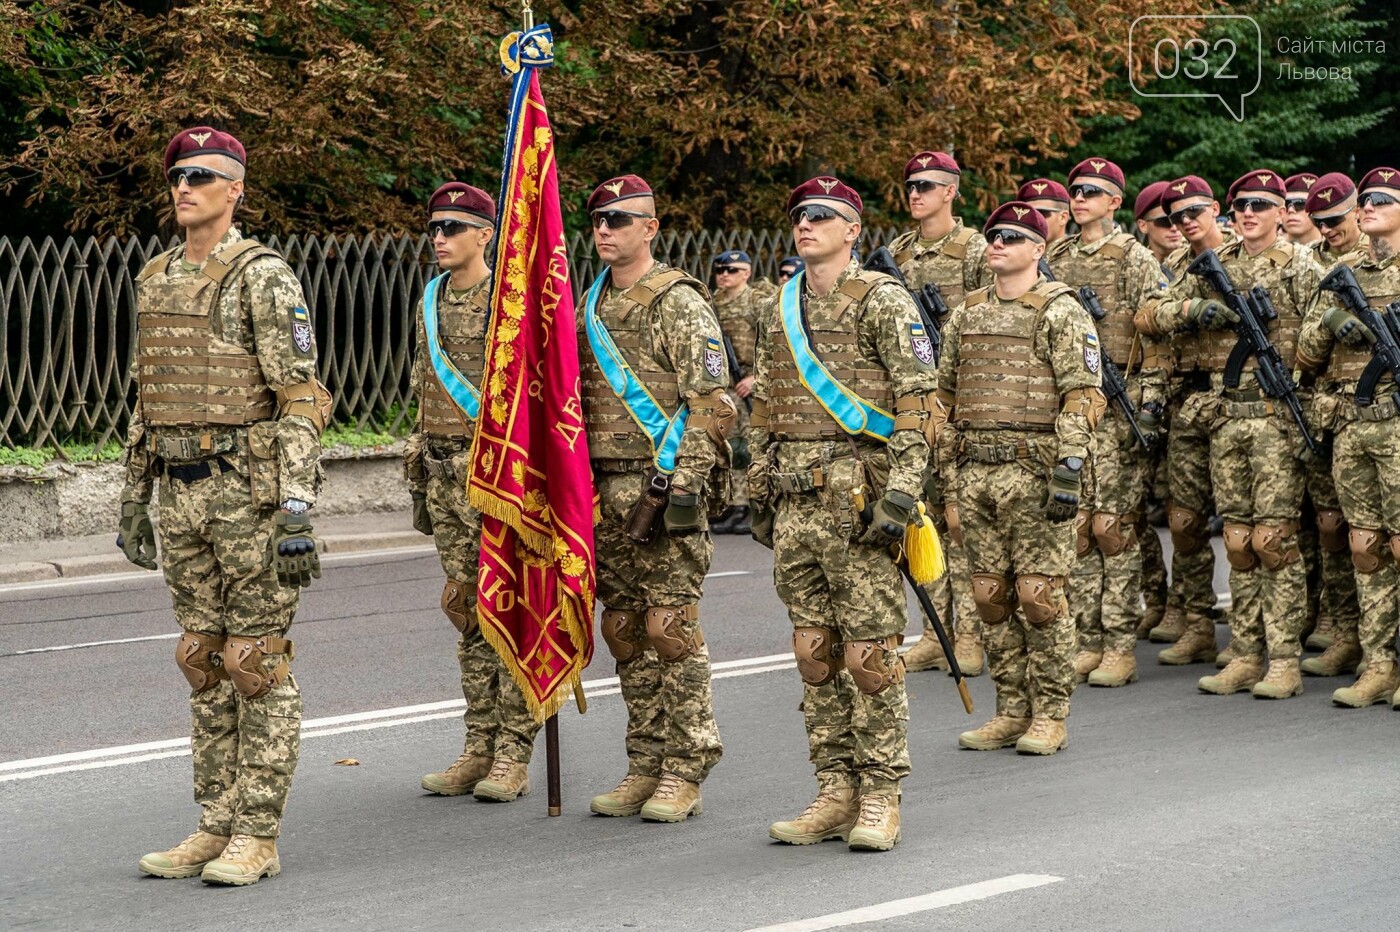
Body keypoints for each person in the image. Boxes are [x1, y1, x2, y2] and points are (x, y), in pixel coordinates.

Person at [129, 127, 332, 885]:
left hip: (247, 497)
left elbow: (301, 398)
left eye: (204, 175)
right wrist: (131, 496)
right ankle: (212, 822)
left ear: (236, 189)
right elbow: (147, 400)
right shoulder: (154, 277)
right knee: (203, 661)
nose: (186, 186)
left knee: (256, 663)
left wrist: (296, 506)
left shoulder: (263, 276)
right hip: (178, 496)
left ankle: (258, 833)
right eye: (179, 173)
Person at [749, 175, 938, 850]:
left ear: (853, 230)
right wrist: (758, 487)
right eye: (800, 214)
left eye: (823, 216)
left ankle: (881, 795)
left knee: (868, 656)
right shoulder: (780, 305)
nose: (806, 224)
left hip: (860, 501)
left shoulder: (883, 300)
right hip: (797, 502)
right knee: (815, 652)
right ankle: (834, 789)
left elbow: (920, 402)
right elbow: (765, 407)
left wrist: (902, 495)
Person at [577, 174, 728, 822]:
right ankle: (645, 761)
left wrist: (684, 485)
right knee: (626, 631)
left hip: (661, 489)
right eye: (599, 221)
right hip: (602, 491)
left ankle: (687, 766)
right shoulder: (587, 306)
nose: (606, 230)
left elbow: (713, 406)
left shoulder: (679, 302)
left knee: (671, 630)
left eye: (620, 219)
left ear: (651, 228)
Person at [1144, 169, 1324, 698]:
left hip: (1276, 419)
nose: (1250, 213)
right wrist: (1193, 310)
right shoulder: (1212, 268)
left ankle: (1284, 659)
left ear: (1280, 213)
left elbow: (1323, 342)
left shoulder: (1302, 267)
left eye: (1263, 206)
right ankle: (1246, 652)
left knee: (1274, 541)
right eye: (1242, 205)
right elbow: (1149, 313)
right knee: (1241, 542)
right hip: (1226, 419)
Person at [947, 201, 1105, 755]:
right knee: (990, 596)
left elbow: (1083, 395)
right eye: (993, 236)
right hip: (976, 473)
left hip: (1035, 472)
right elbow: (944, 401)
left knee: (1039, 596)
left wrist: (1070, 469)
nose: (998, 244)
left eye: (1012, 237)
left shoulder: (1060, 310)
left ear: (1039, 248)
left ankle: (1051, 714)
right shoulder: (966, 313)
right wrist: (946, 482)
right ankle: (1011, 709)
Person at [405, 182, 543, 803]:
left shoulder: (510, 299)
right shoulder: (430, 298)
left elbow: (539, 394)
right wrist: (418, 470)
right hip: (443, 475)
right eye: (435, 228)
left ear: (486, 235)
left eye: (454, 228)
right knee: (467, 612)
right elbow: (422, 383)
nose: (440, 239)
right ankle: (479, 742)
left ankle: (514, 752)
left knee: (507, 607)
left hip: (497, 479)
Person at [1047, 158, 1168, 688]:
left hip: (1120, 402)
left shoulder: (1136, 258)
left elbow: (1157, 335)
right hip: (1071, 404)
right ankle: (1088, 638)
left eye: (1093, 192)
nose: (1080, 198)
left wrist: (1150, 402)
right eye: (1076, 190)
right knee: (1078, 527)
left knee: (1111, 528)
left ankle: (1119, 645)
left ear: (1115, 201)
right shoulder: (1056, 256)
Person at [886, 149, 991, 677]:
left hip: (958, 400)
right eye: (911, 184)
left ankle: (970, 636)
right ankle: (934, 632)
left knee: (959, 522)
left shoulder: (974, 249)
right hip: (909, 405)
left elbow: (991, 319)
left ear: (951, 191)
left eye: (927, 184)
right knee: (920, 516)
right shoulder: (897, 252)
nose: (916, 192)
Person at [1135, 176, 1234, 665]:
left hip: (1240, 401)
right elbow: (1148, 317)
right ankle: (1197, 621)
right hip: (1187, 402)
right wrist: (1192, 309)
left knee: (1246, 525)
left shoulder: (1246, 256)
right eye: (1175, 217)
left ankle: (1258, 634)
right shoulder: (1172, 265)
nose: (1186, 223)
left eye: (1194, 211)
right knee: (1185, 519)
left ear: (1215, 209)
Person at [1295, 170, 1384, 692]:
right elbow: (1306, 353)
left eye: (1378, 201)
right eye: (1319, 222)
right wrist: (1330, 318)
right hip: (1348, 422)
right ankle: (1369, 656)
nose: (1328, 229)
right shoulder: (1338, 272)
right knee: (1361, 543)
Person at [1131, 180, 1181, 637]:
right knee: (1135, 511)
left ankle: (1185, 608)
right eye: (1165, 221)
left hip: (1183, 400)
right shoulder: (1139, 268)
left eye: (1181, 218)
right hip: (1143, 400)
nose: (1176, 228)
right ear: (1144, 224)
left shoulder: (1190, 266)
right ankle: (1156, 595)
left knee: (1181, 510)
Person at [710, 249, 766, 535]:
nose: (723, 275)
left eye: (731, 270)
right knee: (729, 446)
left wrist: (757, 377)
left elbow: (774, 341)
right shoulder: (713, 303)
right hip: (726, 386)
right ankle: (732, 504)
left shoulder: (757, 301)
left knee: (748, 448)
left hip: (750, 383)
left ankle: (748, 507)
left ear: (746, 272)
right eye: (719, 269)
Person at [1135, 180, 1184, 269]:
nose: (1174, 228)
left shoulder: (1199, 259)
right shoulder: (1134, 267)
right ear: (1143, 226)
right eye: (1164, 221)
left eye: (1178, 218)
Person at [1018, 178, 1071, 245]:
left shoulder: (1080, 254)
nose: (1034, 222)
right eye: (1028, 215)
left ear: (1063, 217)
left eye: (1042, 214)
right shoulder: (1016, 253)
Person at [1283, 172, 1323, 250]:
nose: (1291, 210)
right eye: (1286, 204)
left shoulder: (1336, 253)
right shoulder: (1265, 253)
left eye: (1300, 204)